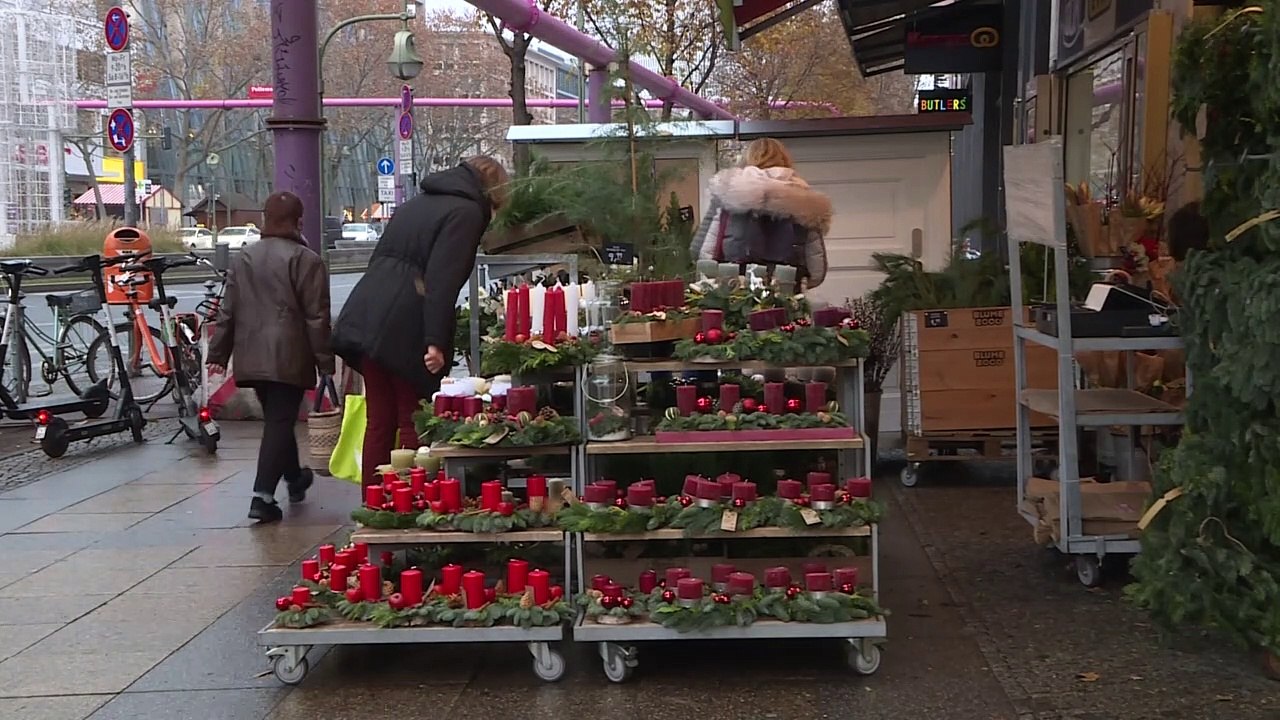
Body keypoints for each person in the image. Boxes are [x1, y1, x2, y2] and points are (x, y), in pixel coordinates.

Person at [331, 156, 509, 487]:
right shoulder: (467, 213)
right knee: (413, 419)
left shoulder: (419, 202)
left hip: (368, 312)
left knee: (379, 420)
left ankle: (375, 502)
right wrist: (436, 341)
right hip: (406, 322)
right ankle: (412, 500)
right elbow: (441, 281)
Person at [207, 191, 334, 523]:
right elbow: (316, 317)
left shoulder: (244, 257)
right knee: (279, 421)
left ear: (264, 220)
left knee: (279, 419)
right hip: (288, 354)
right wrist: (326, 363)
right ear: (299, 221)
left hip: (250, 354)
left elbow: (228, 310)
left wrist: (218, 352)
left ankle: (294, 479)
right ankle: (262, 496)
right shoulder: (306, 260)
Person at [690, 137, 832, 289]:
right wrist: (805, 281)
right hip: (785, 282)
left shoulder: (729, 191)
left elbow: (703, 248)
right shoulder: (805, 198)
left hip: (737, 281)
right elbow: (816, 265)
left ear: (750, 157)